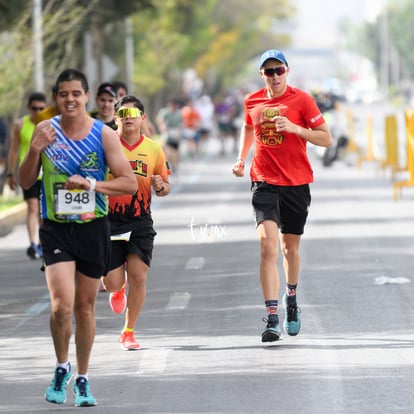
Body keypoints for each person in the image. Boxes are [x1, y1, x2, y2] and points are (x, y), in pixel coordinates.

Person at [19, 68, 137, 406]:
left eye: (76, 93)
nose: (70, 99)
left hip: (93, 228)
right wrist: (33, 150)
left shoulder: (103, 135)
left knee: (84, 307)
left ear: (86, 97)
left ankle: (83, 378)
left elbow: (128, 182)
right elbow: (27, 179)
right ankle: (61, 366)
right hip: (56, 228)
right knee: (60, 306)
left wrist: (92, 185)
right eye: (63, 94)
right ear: (57, 99)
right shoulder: (45, 131)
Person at [231, 50, 332, 343]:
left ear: (287, 71)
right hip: (263, 181)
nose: (274, 76)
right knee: (267, 247)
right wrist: (241, 158)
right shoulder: (252, 101)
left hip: (297, 183)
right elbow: (249, 127)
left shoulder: (302, 100)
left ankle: (291, 298)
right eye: (268, 71)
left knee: (290, 250)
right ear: (261, 74)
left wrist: (296, 128)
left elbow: (326, 138)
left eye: (278, 70)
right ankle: (272, 316)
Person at [101, 95, 171, 351]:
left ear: (143, 118)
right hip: (108, 221)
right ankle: (117, 290)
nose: (127, 117)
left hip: (140, 220)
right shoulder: (105, 145)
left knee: (139, 276)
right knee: (112, 282)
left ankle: (128, 331)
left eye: (133, 113)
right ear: (116, 118)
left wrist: (161, 186)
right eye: (122, 113)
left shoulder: (153, 149)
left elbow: (164, 186)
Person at [7, 91, 47, 259]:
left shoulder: (50, 125)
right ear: (28, 108)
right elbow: (14, 151)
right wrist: (11, 173)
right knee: (32, 207)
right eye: (34, 108)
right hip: (29, 174)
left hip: (47, 175)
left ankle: (44, 243)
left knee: (43, 211)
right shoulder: (20, 125)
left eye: (41, 108)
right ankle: (32, 243)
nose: (37, 112)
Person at [156, 98, 184, 174]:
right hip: (167, 132)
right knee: (166, 149)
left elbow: (182, 124)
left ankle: (175, 165)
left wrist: (180, 132)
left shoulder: (179, 113)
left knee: (175, 151)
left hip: (176, 132)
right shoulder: (164, 112)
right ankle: (168, 165)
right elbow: (160, 119)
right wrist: (162, 126)